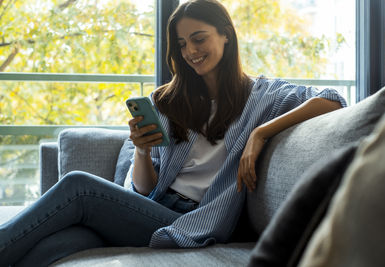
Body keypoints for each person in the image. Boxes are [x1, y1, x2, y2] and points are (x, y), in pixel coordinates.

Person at [0, 0, 346, 265]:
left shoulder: (265, 96)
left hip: (193, 218)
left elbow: (333, 99)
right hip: (152, 208)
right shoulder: (166, 101)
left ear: (226, 34)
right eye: (182, 44)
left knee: (78, 185)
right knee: (57, 245)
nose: (191, 52)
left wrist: (260, 135)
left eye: (199, 39)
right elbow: (146, 189)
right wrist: (140, 150)